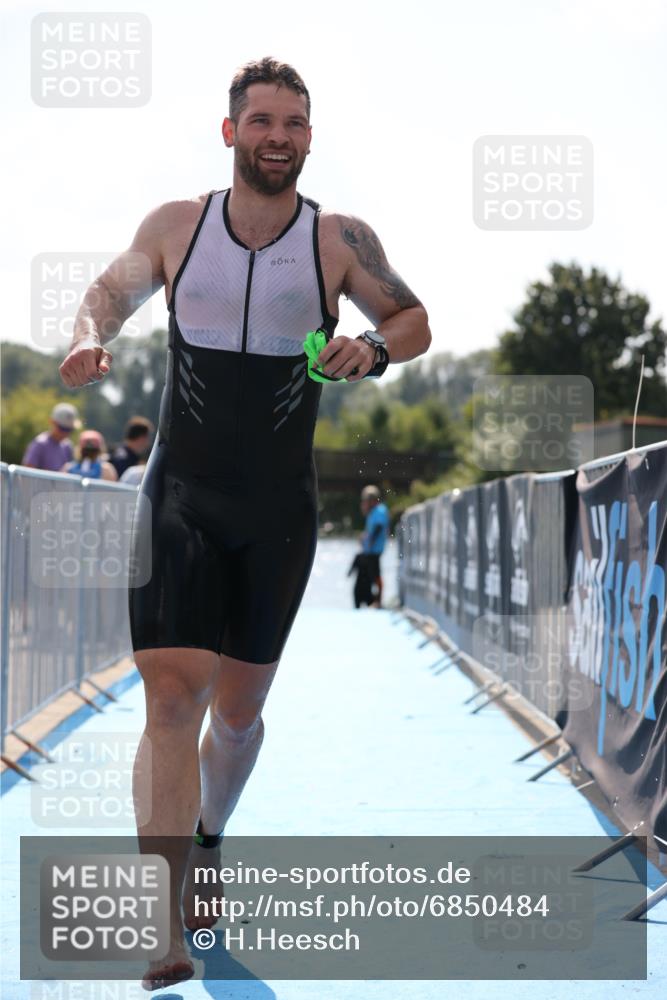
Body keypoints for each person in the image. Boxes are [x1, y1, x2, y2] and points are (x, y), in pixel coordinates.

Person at [58, 56, 431, 990]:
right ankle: (162, 924)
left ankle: (211, 837)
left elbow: (413, 316)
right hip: (178, 493)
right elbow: (108, 290)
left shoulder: (339, 239)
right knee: (172, 702)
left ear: (309, 137)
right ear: (230, 133)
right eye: (261, 121)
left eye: (293, 124)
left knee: (237, 712)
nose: (277, 137)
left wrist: (374, 345)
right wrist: (91, 335)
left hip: (276, 512)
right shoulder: (177, 227)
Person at [22, 402, 81, 472]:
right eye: (63, 428)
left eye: (69, 429)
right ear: (52, 422)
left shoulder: (68, 446)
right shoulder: (40, 444)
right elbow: (28, 472)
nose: (66, 433)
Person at [360, 484, 390, 607]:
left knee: (376, 574)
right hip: (370, 550)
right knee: (372, 574)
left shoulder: (380, 510)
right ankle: (373, 600)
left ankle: (379, 601)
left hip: (375, 549)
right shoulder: (373, 511)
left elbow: (379, 526)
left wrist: (371, 539)